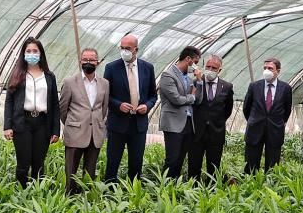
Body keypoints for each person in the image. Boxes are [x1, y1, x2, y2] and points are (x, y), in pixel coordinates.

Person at [3, 37, 61, 187]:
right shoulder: (17, 75)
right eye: (28, 51)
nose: (32, 54)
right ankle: (21, 191)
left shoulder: (49, 76)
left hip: (42, 123)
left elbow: (55, 103)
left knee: (39, 162)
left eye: (35, 51)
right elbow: (9, 101)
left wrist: (56, 129)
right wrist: (7, 126)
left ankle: (37, 192)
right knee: (23, 162)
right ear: (23, 54)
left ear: (41, 53)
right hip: (22, 122)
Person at [103, 34, 157, 182]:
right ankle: (108, 191)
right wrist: (118, 105)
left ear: (136, 49)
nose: (124, 51)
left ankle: (133, 192)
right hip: (117, 124)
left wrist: (147, 106)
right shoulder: (112, 68)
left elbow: (153, 95)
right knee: (113, 162)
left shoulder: (147, 68)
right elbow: (105, 95)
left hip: (138, 124)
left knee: (136, 163)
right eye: (122, 48)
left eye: (128, 48)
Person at [59, 47, 109, 194]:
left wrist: (97, 123)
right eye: (85, 59)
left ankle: (85, 199)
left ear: (98, 62)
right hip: (75, 133)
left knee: (90, 172)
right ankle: (70, 198)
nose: (88, 62)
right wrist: (72, 124)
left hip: (95, 134)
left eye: (92, 59)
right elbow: (63, 109)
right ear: (80, 61)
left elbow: (104, 108)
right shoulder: (69, 82)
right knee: (71, 172)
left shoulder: (104, 83)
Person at [158, 46, 203, 179]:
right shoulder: (168, 75)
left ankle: (175, 190)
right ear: (188, 59)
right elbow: (176, 99)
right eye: (195, 62)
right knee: (172, 159)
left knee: (180, 160)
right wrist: (191, 97)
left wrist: (199, 81)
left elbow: (198, 100)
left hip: (188, 123)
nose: (195, 66)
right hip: (173, 123)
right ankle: (165, 188)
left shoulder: (189, 79)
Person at [242, 57, 293, 174]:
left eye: (270, 68)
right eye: (265, 68)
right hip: (254, 130)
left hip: (275, 131)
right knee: (250, 164)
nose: (267, 71)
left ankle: (269, 188)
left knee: (272, 166)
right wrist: (253, 120)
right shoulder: (254, 86)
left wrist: (278, 122)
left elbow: (287, 110)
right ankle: (250, 186)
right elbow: (246, 108)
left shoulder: (286, 88)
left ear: (278, 71)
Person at [189, 54, 234, 182]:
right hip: (196, 132)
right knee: (194, 165)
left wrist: (217, 122)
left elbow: (228, 110)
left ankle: (212, 191)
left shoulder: (226, 87)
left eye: (214, 68)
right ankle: (193, 190)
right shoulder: (196, 83)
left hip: (216, 133)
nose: (210, 69)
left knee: (213, 166)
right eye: (208, 66)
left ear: (219, 70)